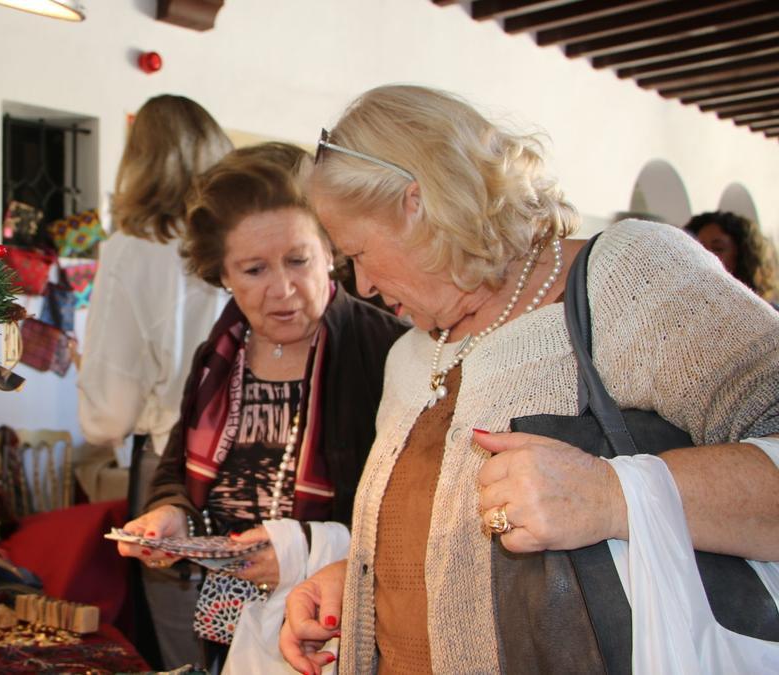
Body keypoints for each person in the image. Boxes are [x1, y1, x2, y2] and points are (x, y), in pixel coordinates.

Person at [280, 85, 779, 674]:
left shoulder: (628, 278)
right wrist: (365, 577)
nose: (361, 285)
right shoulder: (409, 356)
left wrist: (611, 496)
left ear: (418, 205)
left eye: (358, 253)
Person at [116, 142, 407, 673]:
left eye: (298, 260)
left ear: (331, 251)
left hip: (335, 625)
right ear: (222, 274)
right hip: (229, 620)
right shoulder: (219, 355)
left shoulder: (386, 351)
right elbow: (176, 470)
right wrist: (172, 514)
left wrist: (303, 552)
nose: (282, 289)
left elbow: (411, 512)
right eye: (253, 270)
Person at [77, 94, 232, 669]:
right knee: (247, 633)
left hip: (173, 464)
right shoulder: (235, 237)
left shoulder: (132, 248)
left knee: (181, 642)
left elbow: (107, 415)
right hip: (252, 454)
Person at [683, 210, 779, 302]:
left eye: (718, 248)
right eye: (700, 248)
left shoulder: (766, 312)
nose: (706, 255)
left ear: (741, 257)